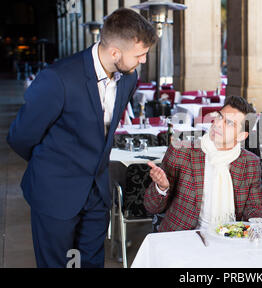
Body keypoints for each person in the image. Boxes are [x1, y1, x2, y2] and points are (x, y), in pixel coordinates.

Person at [7, 8, 157, 268]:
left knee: (91, 263)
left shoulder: (128, 79)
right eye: (140, 54)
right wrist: (54, 164)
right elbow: (20, 136)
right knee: (57, 264)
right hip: (55, 191)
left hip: (97, 193)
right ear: (115, 52)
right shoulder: (58, 78)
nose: (143, 60)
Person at [144, 96, 262, 232]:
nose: (218, 124)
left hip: (230, 239)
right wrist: (161, 187)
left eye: (229, 123)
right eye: (219, 117)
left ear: (242, 136)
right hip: (183, 239)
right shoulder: (182, 151)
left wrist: (260, 221)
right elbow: (151, 207)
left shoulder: (250, 163)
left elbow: (253, 209)